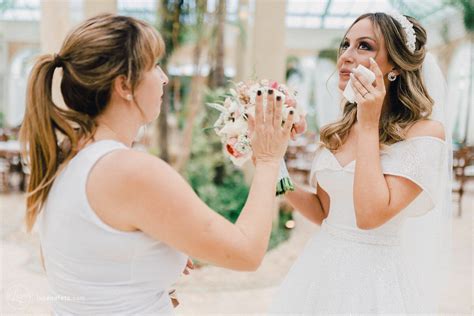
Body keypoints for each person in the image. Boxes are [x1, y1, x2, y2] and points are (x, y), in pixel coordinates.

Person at [19, 14, 294, 314]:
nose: (164, 77)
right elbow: (246, 253)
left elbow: (83, 264)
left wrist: (149, 274)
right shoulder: (128, 170)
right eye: (154, 66)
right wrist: (268, 160)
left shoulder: (65, 156)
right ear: (124, 85)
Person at [269, 12, 452, 314]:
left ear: (394, 65)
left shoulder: (424, 134)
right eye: (346, 44)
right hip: (319, 270)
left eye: (364, 46)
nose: (346, 56)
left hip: (373, 282)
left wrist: (369, 123)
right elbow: (324, 211)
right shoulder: (339, 129)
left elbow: (369, 216)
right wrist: (275, 167)